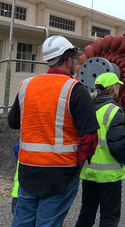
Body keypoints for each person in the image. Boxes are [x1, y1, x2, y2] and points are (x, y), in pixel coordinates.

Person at [8, 35, 100, 227]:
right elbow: (90, 138)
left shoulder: (26, 86)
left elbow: (13, 122)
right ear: (68, 61)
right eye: (74, 59)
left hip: (27, 170)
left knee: (22, 222)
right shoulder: (76, 89)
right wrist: (78, 166)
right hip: (60, 173)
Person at [75, 72, 125, 227]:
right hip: (109, 176)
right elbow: (117, 146)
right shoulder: (114, 111)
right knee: (109, 217)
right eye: (118, 85)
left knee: (86, 213)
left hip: (89, 172)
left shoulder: (88, 107)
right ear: (114, 87)